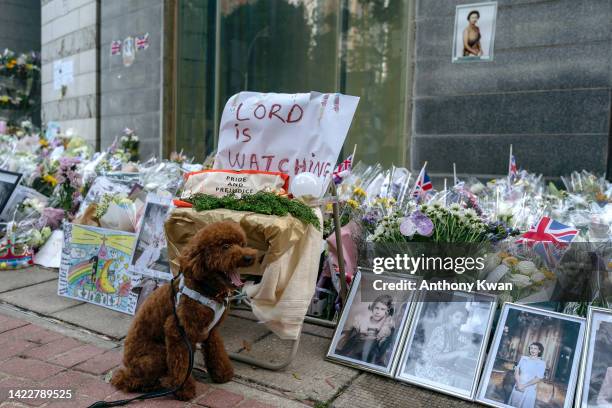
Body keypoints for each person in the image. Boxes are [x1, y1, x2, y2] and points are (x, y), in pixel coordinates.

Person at [413, 305, 474, 385]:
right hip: (428, 369)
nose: (459, 321)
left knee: (465, 377)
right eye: (457, 317)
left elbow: (453, 354)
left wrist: (466, 347)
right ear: (450, 317)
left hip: (442, 366)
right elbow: (435, 357)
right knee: (457, 381)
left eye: (462, 318)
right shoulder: (440, 331)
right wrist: (459, 352)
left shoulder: (456, 333)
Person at [336, 294, 395, 365]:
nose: (378, 312)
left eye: (382, 309)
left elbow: (383, 346)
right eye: (376, 308)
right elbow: (350, 338)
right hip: (355, 348)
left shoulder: (386, 326)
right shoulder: (362, 320)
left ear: (387, 312)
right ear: (372, 308)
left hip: (371, 353)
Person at [508, 342, 546, 408]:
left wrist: (523, 386)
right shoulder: (523, 358)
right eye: (531, 348)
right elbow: (516, 371)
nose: (533, 350)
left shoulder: (541, 363)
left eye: (535, 348)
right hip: (518, 385)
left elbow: (538, 378)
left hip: (529, 388)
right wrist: (518, 384)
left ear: (539, 351)